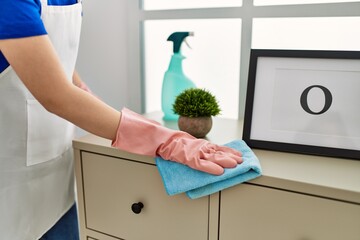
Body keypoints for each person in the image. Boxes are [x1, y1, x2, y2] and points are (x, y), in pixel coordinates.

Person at [0, 0, 243, 239]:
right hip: (10, 187)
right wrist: (162, 139)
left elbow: (59, 65)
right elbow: (55, 95)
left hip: (56, 181)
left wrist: (90, 96)